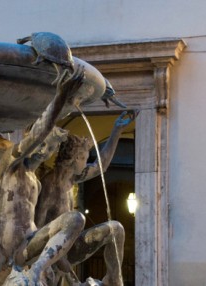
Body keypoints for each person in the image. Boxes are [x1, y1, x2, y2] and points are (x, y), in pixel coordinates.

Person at [0, 66, 88, 286]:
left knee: (75, 219)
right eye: (43, 145)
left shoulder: (36, 181)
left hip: (26, 244)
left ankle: (39, 268)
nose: (44, 151)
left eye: (50, 148)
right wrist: (60, 97)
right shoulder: (10, 164)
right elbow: (38, 132)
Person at [34, 111, 136, 286]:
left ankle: (113, 280)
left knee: (115, 229)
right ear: (73, 159)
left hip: (71, 247)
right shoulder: (50, 186)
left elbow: (101, 165)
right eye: (83, 159)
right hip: (51, 253)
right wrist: (56, 259)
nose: (86, 163)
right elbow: (37, 231)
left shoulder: (72, 178)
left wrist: (116, 131)